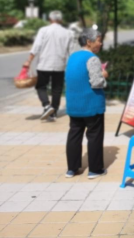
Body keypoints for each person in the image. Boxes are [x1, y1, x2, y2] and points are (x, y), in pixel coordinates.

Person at [65, 29, 108, 179]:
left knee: (74, 135)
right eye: (98, 40)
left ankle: (72, 168)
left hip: (74, 104)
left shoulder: (73, 57)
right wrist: (104, 76)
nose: (100, 43)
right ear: (89, 42)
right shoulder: (92, 58)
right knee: (94, 136)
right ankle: (95, 169)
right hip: (91, 104)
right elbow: (96, 82)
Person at [23, 11, 74, 121]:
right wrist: (72, 66)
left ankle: (46, 105)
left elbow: (36, 47)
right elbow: (71, 51)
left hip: (44, 64)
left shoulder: (44, 30)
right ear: (61, 20)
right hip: (60, 65)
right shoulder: (68, 33)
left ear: (50, 19)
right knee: (57, 89)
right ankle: (53, 113)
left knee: (40, 87)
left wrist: (29, 61)